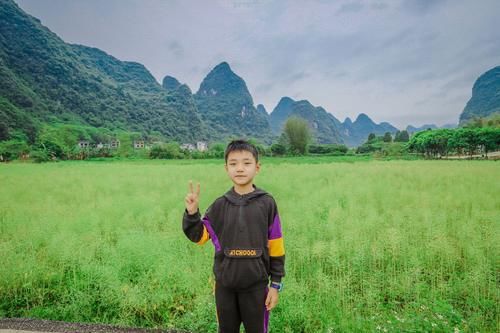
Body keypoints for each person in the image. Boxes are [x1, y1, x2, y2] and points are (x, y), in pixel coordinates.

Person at [182, 139, 285, 333]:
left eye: (246, 163)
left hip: (257, 287)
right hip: (225, 287)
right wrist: (192, 213)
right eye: (233, 163)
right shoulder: (220, 205)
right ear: (226, 168)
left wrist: (275, 285)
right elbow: (200, 236)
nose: (240, 169)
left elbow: (276, 245)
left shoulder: (267, 203)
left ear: (257, 167)